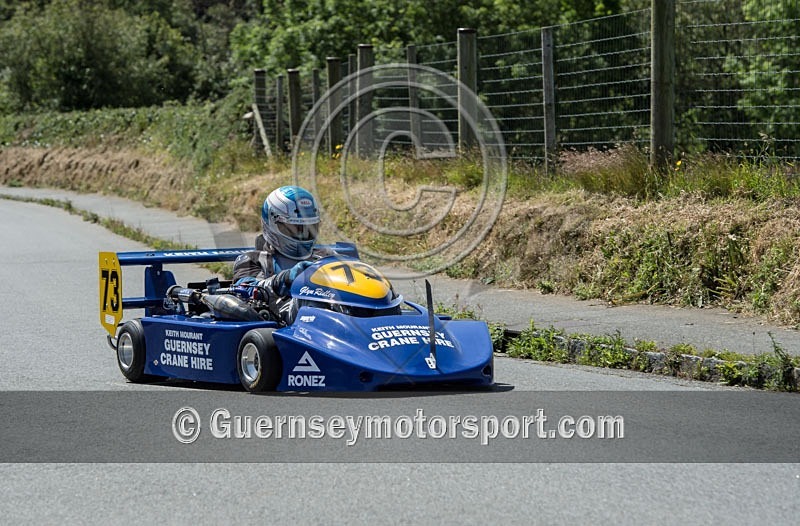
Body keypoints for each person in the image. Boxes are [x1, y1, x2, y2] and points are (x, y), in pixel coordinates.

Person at [231, 185, 334, 323]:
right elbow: (245, 291)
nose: (303, 235)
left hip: (337, 313)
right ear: (273, 223)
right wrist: (284, 279)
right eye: (295, 229)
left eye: (309, 228)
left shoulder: (326, 255)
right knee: (309, 301)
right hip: (283, 321)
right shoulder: (252, 259)